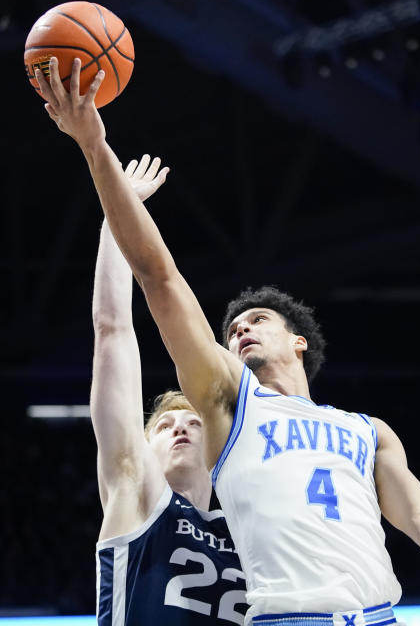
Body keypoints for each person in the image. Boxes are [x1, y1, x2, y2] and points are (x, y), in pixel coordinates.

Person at [40, 58, 420, 626]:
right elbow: (157, 278)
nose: (239, 329)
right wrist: (94, 148)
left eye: (256, 319)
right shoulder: (230, 406)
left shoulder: (367, 432)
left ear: (299, 341)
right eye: (231, 329)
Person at [89, 155, 248, 625]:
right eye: (163, 425)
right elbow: (112, 330)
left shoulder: (249, 529)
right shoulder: (135, 490)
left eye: (195, 421)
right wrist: (116, 213)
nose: (179, 426)